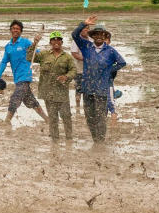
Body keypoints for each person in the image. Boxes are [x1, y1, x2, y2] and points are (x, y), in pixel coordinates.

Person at [71, 15, 126, 143]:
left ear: (105, 36)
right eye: (96, 34)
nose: (99, 37)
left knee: (100, 117)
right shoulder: (86, 46)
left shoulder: (110, 51)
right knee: (89, 117)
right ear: (93, 36)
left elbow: (122, 63)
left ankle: (100, 142)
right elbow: (74, 35)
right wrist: (83, 23)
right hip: (87, 88)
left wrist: (108, 70)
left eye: (102, 34)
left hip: (101, 89)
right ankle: (95, 139)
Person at [0, 20, 49, 125]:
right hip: (17, 78)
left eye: (18, 29)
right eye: (14, 28)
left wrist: (36, 46)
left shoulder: (25, 43)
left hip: (25, 77)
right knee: (31, 102)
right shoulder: (8, 47)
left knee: (15, 98)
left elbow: (37, 53)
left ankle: (7, 121)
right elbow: (3, 62)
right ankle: (48, 120)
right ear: (10, 30)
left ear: (21, 31)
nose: (16, 30)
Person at [26, 30, 76, 141]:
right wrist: (34, 43)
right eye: (54, 40)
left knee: (66, 116)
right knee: (53, 118)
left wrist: (66, 77)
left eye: (58, 39)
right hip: (48, 93)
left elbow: (73, 70)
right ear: (50, 43)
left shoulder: (67, 57)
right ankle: (55, 141)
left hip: (62, 93)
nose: (56, 42)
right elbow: (30, 58)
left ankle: (69, 139)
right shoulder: (43, 55)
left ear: (62, 42)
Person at [69, 26, 88, 112]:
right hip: (79, 69)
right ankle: (77, 107)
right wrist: (86, 59)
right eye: (84, 28)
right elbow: (74, 53)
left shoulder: (91, 40)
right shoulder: (76, 40)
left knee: (88, 89)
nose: (86, 30)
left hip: (90, 70)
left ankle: (86, 106)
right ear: (80, 30)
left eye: (87, 28)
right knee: (79, 88)